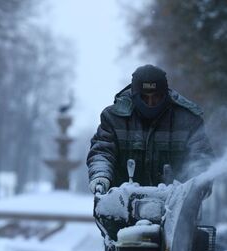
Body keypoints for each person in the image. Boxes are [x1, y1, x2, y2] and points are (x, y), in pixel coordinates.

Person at [87, 64, 214, 193]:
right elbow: (102, 152)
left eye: (157, 97)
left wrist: (199, 183)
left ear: (165, 95)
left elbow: (200, 155)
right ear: (134, 95)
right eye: (144, 97)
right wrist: (100, 176)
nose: (150, 103)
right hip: (121, 204)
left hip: (177, 206)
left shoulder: (188, 120)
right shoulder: (114, 118)